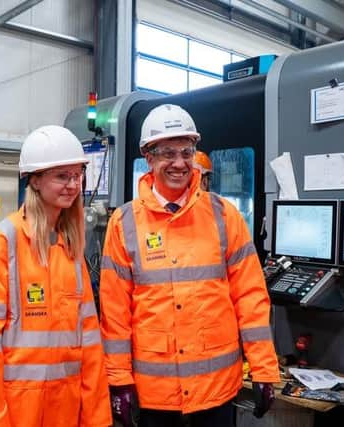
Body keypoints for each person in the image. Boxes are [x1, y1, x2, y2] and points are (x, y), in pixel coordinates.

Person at [100, 104, 279, 427]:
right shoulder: (123, 223)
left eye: (187, 152)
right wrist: (119, 380)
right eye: (168, 153)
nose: (180, 163)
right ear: (149, 156)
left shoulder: (224, 216)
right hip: (155, 392)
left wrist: (264, 367)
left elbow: (251, 298)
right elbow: (115, 313)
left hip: (217, 389)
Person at [0, 125, 112, 427]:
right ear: (34, 180)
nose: (72, 185)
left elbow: (90, 346)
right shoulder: (3, 246)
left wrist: (98, 418)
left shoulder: (70, 248)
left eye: (76, 175)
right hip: (18, 413)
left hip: (66, 411)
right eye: (62, 176)